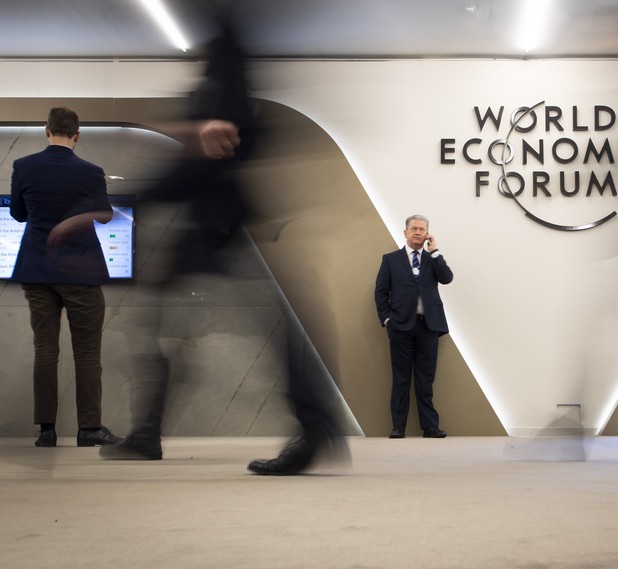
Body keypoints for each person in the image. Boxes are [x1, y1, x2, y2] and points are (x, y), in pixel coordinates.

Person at [99, 19, 348, 476]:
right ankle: (148, 432)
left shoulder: (224, 76)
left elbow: (212, 152)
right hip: (215, 227)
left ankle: (312, 423)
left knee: (272, 325)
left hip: (221, 226)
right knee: (172, 322)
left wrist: (149, 190)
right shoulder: (222, 78)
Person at [10, 106, 119, 448]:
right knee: (86, 352)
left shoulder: (24, 167)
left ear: (46, 130)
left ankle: (46, 430)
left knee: (45, 349)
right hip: (81, 272)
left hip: (38, 268)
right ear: (77, 134)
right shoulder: (90, 172)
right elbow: (103, 218)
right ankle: (89, 429)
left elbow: (17, 214)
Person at [375, 214, 454, 439]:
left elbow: (447, 278)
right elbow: (381, 292)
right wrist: (387, 319)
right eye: (414, 229)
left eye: (422, 229)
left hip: (429, 327)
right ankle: (398, 427)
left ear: (427, 233)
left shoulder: (432, 259)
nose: (418, 232)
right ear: (405, 232)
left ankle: (430, 427)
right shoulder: (390, 259)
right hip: (400, 327)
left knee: (425, 379)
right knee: (401, 378)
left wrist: (435, 251)